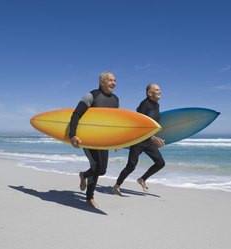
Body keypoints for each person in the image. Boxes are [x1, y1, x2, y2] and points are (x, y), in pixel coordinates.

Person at [69, 71, 119, 208]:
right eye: (110, 80)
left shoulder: (115, 100)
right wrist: (72, 135)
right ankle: (89, 198)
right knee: (96, 166)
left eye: (115, 80)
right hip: (89, 137)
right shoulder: (91, 96)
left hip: (103, 139)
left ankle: (83, 175)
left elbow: (114, 122)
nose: (114, 83)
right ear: (102, 81)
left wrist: (117, 141)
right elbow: (76, 114)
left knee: (102, 170)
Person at [113, 83, 165, 196]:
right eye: (157, 89)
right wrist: (153, 137)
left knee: (160, 163)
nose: (160, 91)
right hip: (139, 140)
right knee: (131, 166)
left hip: (148, 141)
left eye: (160, 89)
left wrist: (155, 136)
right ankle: (116, 186)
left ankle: (142, 179)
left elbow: (152, 124)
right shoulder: (144, 104)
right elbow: (138, 124)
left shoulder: (157, 105)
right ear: (149, 93)